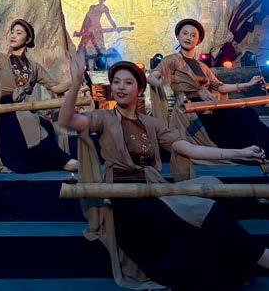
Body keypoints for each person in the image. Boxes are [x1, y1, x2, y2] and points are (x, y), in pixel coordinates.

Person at [59, 57, 269, 290]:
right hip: (126, 200)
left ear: (139, 90)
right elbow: (67, 121)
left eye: (128, 82)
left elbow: (188, 148)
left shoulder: (152, 124)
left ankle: (243, 260)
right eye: (116, 82)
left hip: (153, 190)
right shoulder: (103, 118)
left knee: (211, 187)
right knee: (206, 210)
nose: (120, 87)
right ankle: (262, 257)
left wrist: (240, 152)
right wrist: (76, 83)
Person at [147, 19, 268, 168]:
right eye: (185, 33)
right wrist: (157, 82)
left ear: (198, 41)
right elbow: (153, 76)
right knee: (242, 117)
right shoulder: (172, 60)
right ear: (178, 36)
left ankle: (261, 153)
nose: (188, 37)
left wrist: (248, 83)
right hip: (190, 110)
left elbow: (221, 87)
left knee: (248, 114)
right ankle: (249, 155)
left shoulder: (202, 66)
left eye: (193, 35)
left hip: (209, 105)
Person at [0, 18, 78, 173]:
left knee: (46, 125)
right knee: (27, 121)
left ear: (28, 39)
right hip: (5, 110)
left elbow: (55, 87)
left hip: (22, 108)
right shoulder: (1, 59)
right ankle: (62, 161)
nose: (13, 35)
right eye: (12, 32)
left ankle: (58, 160)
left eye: (18, 33)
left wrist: (75, 81)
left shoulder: (34, 67)